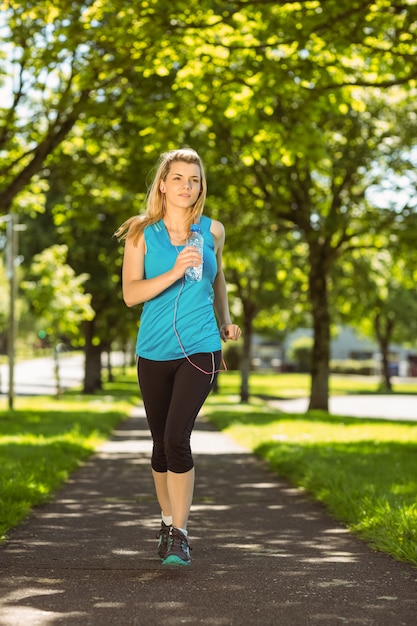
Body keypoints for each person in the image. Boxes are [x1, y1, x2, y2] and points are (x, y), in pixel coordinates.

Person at [115, 148, 241, 566]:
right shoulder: (140, 232)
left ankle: (182, 536)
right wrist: (172, 271)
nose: (188, 186)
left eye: (195, 179)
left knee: (176, 438)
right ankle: (167, 522)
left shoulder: (213, 231)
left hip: (201, 348)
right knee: (158, 445)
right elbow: (131, 294)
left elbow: (217, 278)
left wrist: (225, 320)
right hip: (153, 350)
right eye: (179, 178)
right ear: (163, 184)